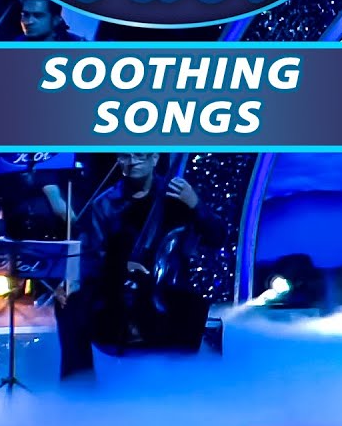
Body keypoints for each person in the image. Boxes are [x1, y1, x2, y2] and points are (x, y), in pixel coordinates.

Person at [56, 153, 227, 381]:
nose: (132, 162)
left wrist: (196, 205)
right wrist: (119, 267)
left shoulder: (178, 196)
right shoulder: (104, 204)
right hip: (115, 290)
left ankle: (185, 386)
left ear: (154, 158)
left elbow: (217, 237)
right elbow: (91, 258)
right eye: (125, 157)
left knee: (192, 306)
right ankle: (80, 386)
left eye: (139, 155)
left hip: (164, 291)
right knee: (69, 304)